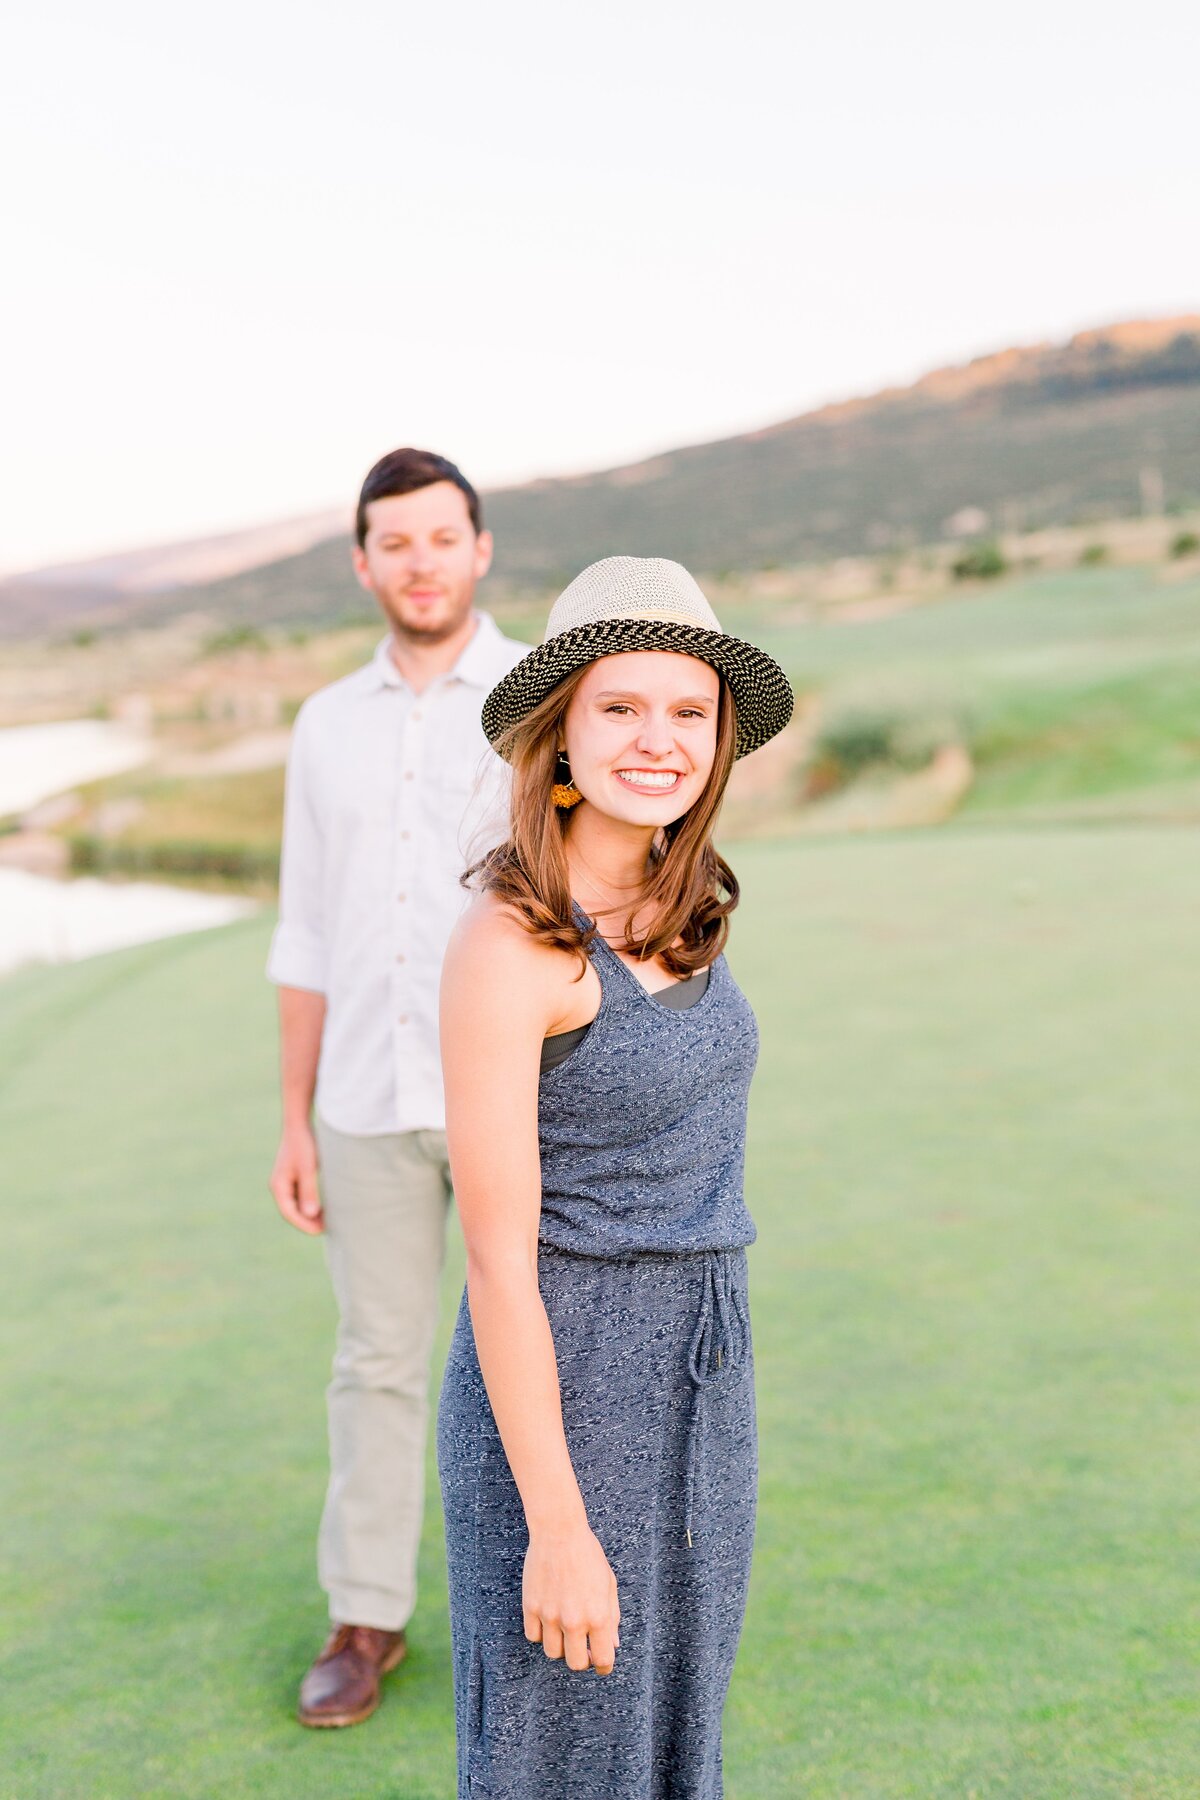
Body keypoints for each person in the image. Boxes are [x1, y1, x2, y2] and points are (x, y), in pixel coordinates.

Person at [436, 556, 794, 1798]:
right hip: (567, 1378)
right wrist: (558, 1522)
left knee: (670, 1732)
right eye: (622, 708)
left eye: (689, 712)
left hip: (705, 1369)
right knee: (563, 1753)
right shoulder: (511, 942)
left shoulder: (681, 899)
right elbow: (496, 1258)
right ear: (564, 740)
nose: (662, 740)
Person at [266, 448, 527, 1728]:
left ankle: (552, 1600)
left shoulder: (541, 702)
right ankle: (366, 1622)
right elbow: (304, 930)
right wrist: (292, 1120)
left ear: (480, 548)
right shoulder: (326, 724)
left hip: (516, 1097)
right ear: (364, 562)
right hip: (363, 1103)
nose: (420, 561)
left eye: (442, 536)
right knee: (375, 1362)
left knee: (544, 1350)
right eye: (395, 541)